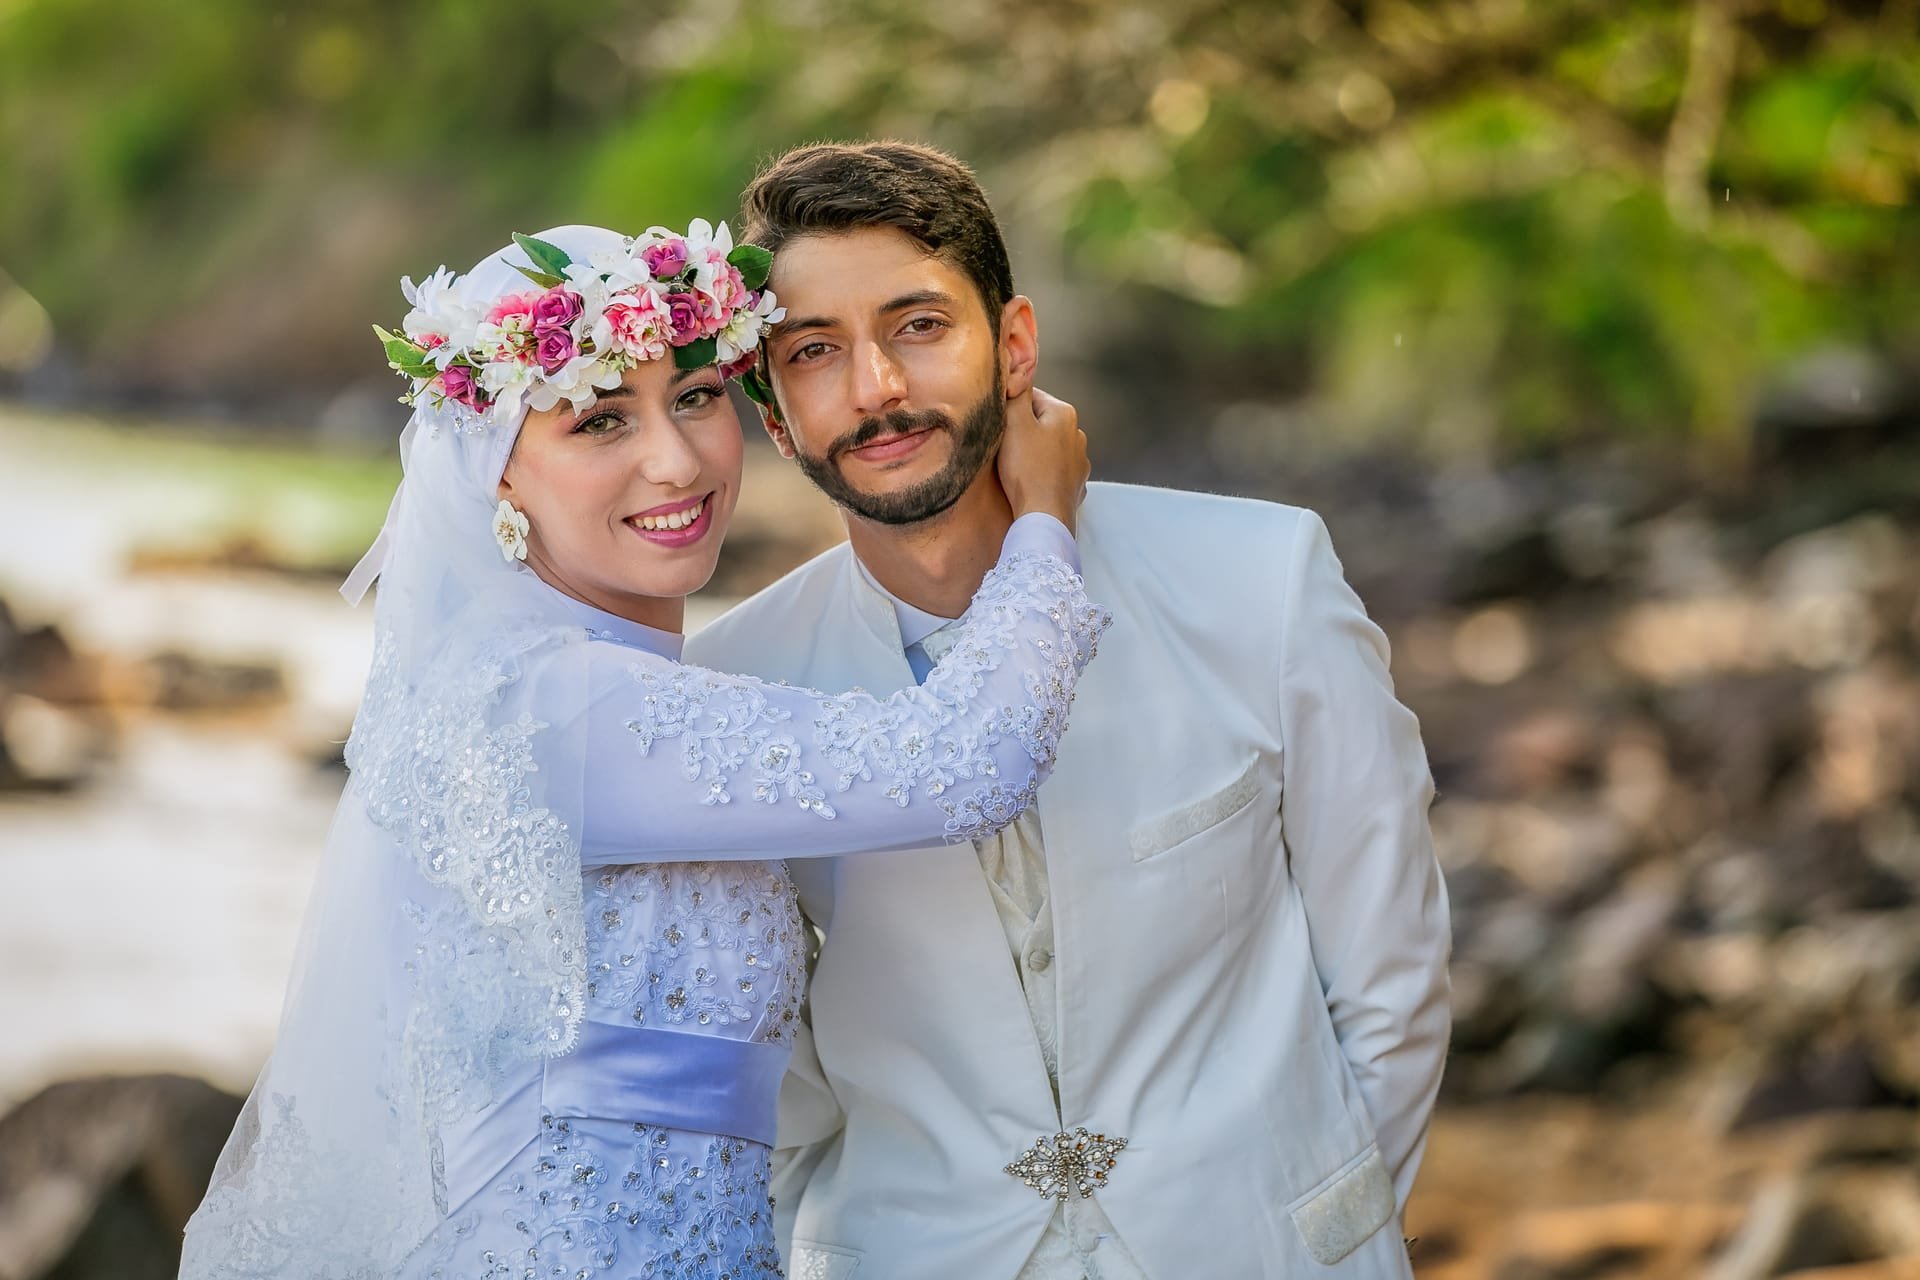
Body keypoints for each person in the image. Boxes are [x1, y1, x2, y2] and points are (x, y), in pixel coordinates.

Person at [177, 222, 1107, 1279]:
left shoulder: (600, 685)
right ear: (500, 478)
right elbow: (967, 759)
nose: (676, 458)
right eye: (599, 419)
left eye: (698, 395)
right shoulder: (552, 707)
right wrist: (1043, 516)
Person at [686, 141, 1453, 1279]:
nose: (876, 388)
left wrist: (1323, 1231)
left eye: (918, 325)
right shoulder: (732, 685)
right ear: (775, 414)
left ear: (1014, 344)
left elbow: (1389, 970)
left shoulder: (1264, 578)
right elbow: (774, 1077)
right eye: (814, 352)